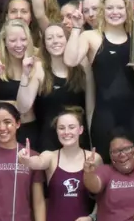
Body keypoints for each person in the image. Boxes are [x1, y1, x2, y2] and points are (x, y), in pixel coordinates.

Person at [66, 0, 134, 162]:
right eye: (110, 8)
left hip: (132, 112)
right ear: (103, 11)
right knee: (103, 162)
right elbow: (71, 60)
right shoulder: (91, 36)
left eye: (120, 7)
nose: (115, 12)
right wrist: (75, 28)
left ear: (128, 11)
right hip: (104, 113)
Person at [17, 22, 92, 151]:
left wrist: (92, 137)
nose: (55, 41)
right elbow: (23, 107)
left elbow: (91, 107)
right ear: (44, 44)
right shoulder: (39, 69)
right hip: (49, 139)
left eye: (59, 36)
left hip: (78, 138)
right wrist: (25, 75)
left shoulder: (82, 65)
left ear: (67, 39)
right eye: (50, 38)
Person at [0, 19, 39, 148]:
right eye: (13, 40)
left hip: (27, 129)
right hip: (0, 131)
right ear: (4, 41)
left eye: (23, 39)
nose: (19, 45)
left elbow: (26, 106)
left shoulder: (36, 65)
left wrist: (26, 74)